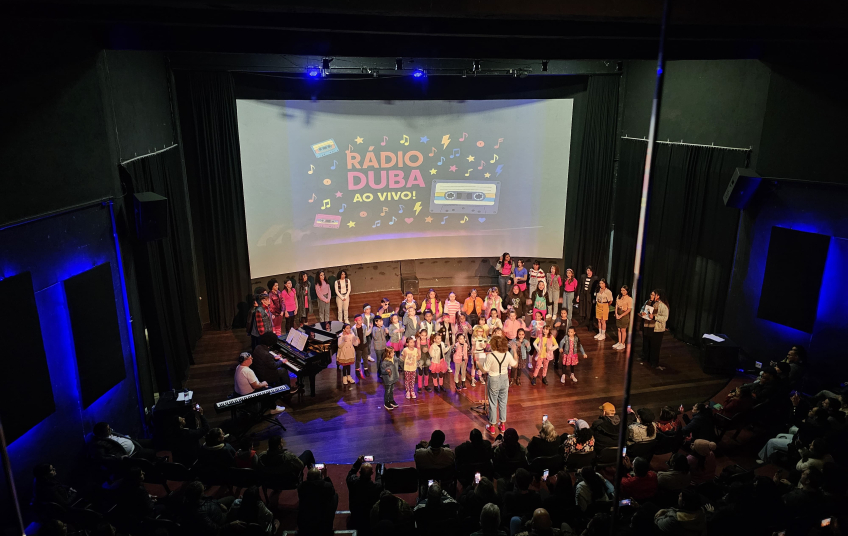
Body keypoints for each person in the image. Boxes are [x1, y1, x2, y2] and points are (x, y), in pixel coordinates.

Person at [480, 335, 518, 435]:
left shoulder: (490, 356)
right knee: (503, 402)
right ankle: (502, 424)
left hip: (494, 379)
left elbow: (485, 370)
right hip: (504, 379)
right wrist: (514, 351)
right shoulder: (507, 354)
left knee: (493, 403)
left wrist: (478, 363)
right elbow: (515, 364)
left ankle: (492, 426)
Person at [346, 455, 384, 534]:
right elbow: (379, 479)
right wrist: (378, 471)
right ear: (372, 473)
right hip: (369, 516)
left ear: (360, 472)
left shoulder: (352, 482)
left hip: (356, 514)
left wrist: (358, 462)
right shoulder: (377, 487)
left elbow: (351, 473)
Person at [87, 422, 157, 462]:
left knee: (152, 442)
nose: (110, 430)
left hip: (134, 443)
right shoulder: (99, 444)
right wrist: (120, 458)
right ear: (102, 433)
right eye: (108, 429)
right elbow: (103, 459)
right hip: (132, 454)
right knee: (152, 452)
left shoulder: (110, 433)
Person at [298, 467, 338, 536]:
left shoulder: (301, 486)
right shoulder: (327, 486)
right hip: (324, 523)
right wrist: (326, 476)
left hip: (305, 522)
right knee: (335, 496)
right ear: (320, 476)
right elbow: (332, 491)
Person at [640, 289, 669, 369]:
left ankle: (654, 362)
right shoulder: (648, 302)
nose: (651, 296)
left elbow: (665, 318)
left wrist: (654, 317)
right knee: (646, 343)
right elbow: (642, 309)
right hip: (647, 326)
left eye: (653, 295)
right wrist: (642, 312)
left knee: (655, 346)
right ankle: (645, 358)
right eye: (651, 294)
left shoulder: (662, 306)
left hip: (657, 329)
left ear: (658, 296)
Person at [577, 266, 599, 332]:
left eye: (590, 271)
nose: (588, 272)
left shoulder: (595, 278)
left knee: (589, 310)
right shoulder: (583, 277)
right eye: (587, 270)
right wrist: (578, 295)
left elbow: (596, 288)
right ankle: (584, 322)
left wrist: (595, 297)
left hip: (590, 296)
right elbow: (580, 286)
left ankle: (590, 324)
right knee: (583, 308)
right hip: (583, 295)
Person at [353, 314, 372, 380]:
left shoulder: (364, 326)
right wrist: (356, 338)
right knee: (358, 358)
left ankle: (366, 369)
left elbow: (366, 333)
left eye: (361, 320)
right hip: (358, 346)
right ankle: (357, 369)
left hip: (364, 344)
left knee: (365, 358)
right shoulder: (353, 329)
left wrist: (371, 328)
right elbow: (353, 337)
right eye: (359, 320)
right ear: (355, 321)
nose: (361, 321)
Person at [613, 285, 632, 351]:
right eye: (621, 290)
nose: (622, 292)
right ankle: (619, 342)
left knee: (623, 330)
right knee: (619, 329)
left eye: (624, 290)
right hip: (618, 313)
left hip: (624, 315)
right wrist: (616, 313)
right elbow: (616, 305)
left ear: (627, 291)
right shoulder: (619, 296)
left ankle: (622, 343)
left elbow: (629, 309)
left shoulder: (629, 299)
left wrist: (621, 315)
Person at [415, 329, 431, 393]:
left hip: (426, 358)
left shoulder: (428, 341)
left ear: (427, 336)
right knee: (420, 372)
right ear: (420, 335)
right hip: (420, 358)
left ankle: (426, 385)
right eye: (422, 335)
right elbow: (417, 349)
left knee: (426, 372)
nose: (423, 337)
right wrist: (418, 357)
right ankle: (419, 386)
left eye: (425, 335)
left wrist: (427, 350)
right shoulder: (418, 341)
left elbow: (429, 349)